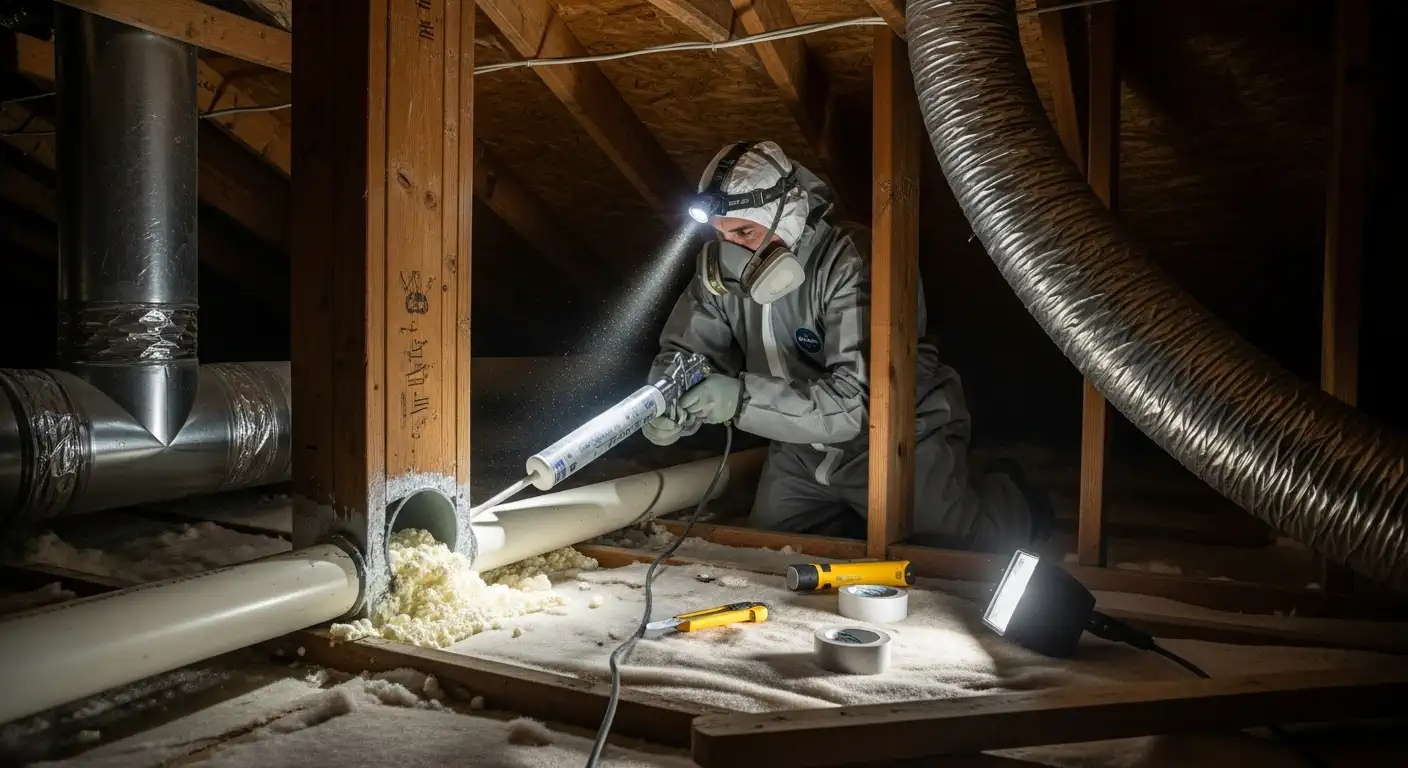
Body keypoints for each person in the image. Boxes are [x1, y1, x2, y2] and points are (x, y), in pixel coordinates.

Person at [643, 141, 1051, 554]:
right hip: (799, 449)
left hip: (894, 438)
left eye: (744, 232)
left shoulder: (854, 261)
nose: (731, 249)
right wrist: (667, 396)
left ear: (788, 213)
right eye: (721, 233)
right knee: (770, 552)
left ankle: (1013, 494)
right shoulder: (720, 273)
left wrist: (740, 400)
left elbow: (856, 404)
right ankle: (850, 515)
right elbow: (686, 347)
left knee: (952, 550)